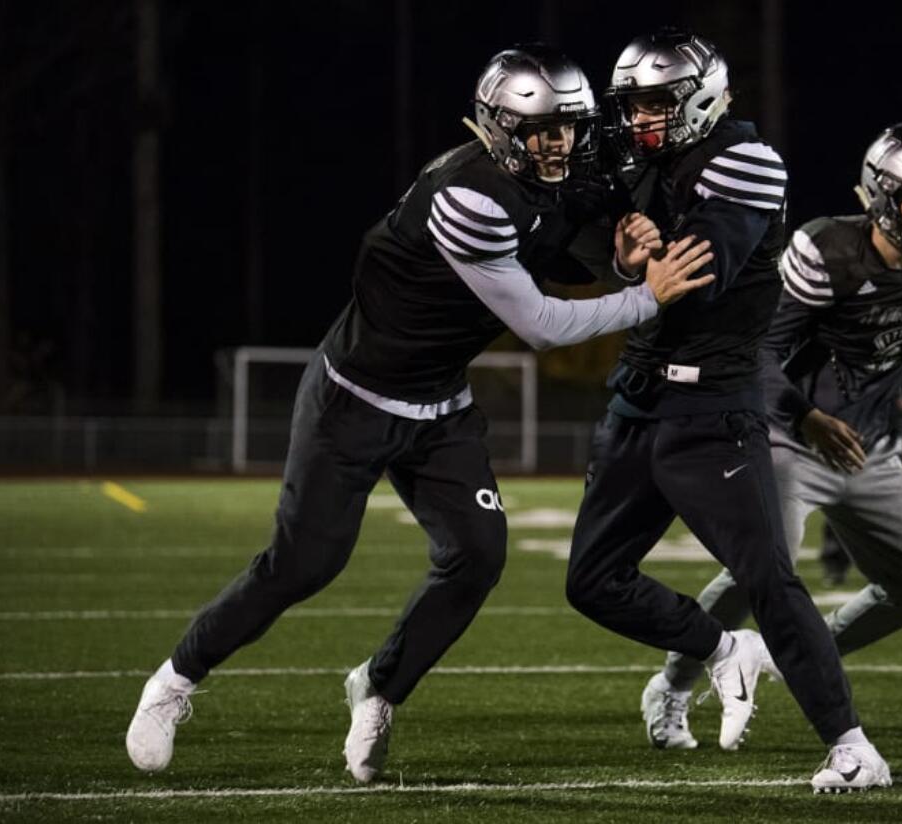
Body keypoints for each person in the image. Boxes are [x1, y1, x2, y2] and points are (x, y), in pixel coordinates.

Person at [125, 45, 714, 784]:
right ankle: (175, 680)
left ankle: (378, 686)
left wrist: (624, 259)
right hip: (355, 397)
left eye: (567, 126)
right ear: (499, 129)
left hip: (439, 406)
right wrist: (647, 295)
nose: (558, 143)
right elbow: (539, 323)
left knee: (478, 554)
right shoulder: (468, 195)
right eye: (539, 129)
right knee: (304, 564)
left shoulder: (560, 178)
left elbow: (574, 244)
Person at [564, 29, 891, 794]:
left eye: (656, 101)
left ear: (701, 98)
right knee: (592, 581)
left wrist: (635, 252)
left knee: (768, 577)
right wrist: (617, 249)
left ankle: (852, 747)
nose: (641, 117)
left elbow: (697, 278)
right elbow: (580, 242)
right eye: (634, 103)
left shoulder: (745, 159)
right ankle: (723, 649)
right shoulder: (642, 162)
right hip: (639, 398)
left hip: (711, 407)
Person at [642, 123, 902, 781]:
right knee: (757, 570)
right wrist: (809, 415)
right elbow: (757, 352)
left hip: (874, 449)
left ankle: (787, 653)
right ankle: (675, 683)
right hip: (792, 439)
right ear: (882, 195)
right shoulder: (831, 251)